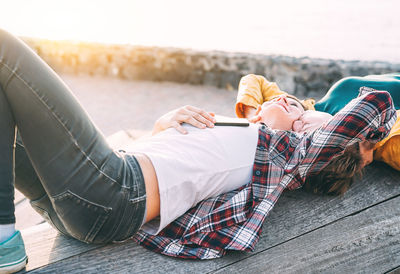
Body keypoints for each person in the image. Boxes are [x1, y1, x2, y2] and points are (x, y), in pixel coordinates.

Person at [0, 28, 396, 272]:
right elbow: (173, 162)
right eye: (290, 101)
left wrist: (319, 123)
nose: (293, 103)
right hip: (82, 207)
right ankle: (4, 237)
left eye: (300, 112)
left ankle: (3, 234)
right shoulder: (241, 130)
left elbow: (375, 104)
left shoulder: (282, 155)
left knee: (5, 47)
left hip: (113, 193)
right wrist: (162, 125)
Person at [235, 74, 400, 170]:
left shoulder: (303, 110)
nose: (281, 98)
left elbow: (253, 80)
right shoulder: (381, 139)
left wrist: (252, 116)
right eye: (298, 123)